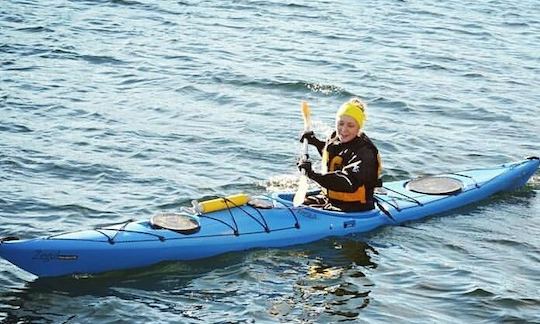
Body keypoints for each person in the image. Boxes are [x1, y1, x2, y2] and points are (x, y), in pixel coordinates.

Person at [297, 98, 382, 212]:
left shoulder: (365, 152)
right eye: (340, 123)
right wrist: (315, 142)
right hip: (329, 199)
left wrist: (312, 175)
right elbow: (335, 158)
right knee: (301, 204)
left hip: (355, 207)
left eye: (350, 125)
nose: (343, 130)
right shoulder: (335, 138)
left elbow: (347, 183)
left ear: (359, 127)